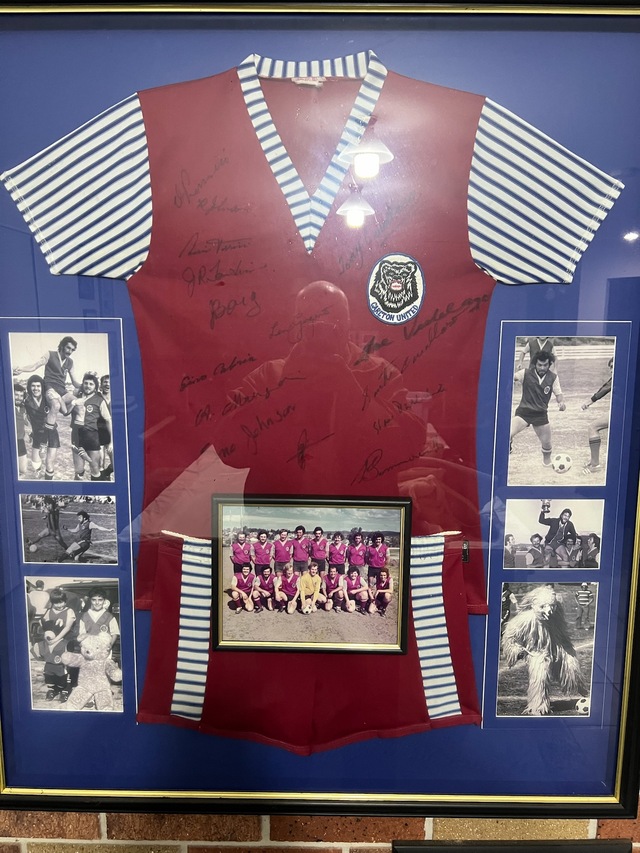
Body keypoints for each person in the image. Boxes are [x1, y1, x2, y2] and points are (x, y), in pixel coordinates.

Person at [13, 336, 81, 436]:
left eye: (72, 350)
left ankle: (77, 434)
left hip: (62, 390)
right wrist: (21, 369)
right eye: (68, 348)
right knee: (56, 405)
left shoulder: (70, 362)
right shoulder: (50, 354)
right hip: (49, 387)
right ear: (62, 346)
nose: (70, 351)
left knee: (79, 404)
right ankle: (46, 435)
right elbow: (35, 366)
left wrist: (85, 385)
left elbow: (74, 382)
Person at [510, 350, 565, 467]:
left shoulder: (553, 378)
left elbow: (558, 394)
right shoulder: (525, 373)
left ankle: (547, 464)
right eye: (540, 365)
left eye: (545, 365)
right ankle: (508, 446)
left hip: (540, 415)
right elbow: (513, 377)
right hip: (523, 413)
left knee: (547, 444)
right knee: (507, 434)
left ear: (549, 364)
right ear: (535, 363)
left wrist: (561, 403)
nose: (542, 367)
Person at [68, 373, 112, 481]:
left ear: (95, 387)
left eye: (91, 384)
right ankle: (79, 486)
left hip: (91, 437)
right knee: (78, 470)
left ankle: (96, 488)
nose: (88, 386)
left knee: (95, 468)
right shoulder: (76, 397)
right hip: (76, 436)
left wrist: (111, 441)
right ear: (82, 384)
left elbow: (108, 420)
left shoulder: (99, 400)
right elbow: (66, 412)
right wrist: (73, 403)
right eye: (86, 383)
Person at [36, 587, 77, 702]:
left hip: (65, 642)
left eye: (62, 602)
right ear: (52, 602)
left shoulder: (69, 611)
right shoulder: (49, 611)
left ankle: (65, 689)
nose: (60, 605)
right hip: (51, 643)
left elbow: (67, 628)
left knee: (64, 666)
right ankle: (53, 688)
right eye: (56, 603)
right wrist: (47, 636)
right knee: (50, 665)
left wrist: (56, 639)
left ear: (65, 601)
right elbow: (43, 624)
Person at [23, 374, 59, 479]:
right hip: (37, 433)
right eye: (33, 386)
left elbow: (58, 406)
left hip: (51, 432)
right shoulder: (26, 400)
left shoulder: (48, 398)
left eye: (38, 386)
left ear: (42, 387)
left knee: (49, 463)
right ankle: (38, 472)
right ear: (29, 387)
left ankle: (48, 482)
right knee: (35, 462)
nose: (36, 388)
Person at [582, 356, 613, 475]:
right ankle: (593, 462)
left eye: (613, 367)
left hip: (623, 412)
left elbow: (605, 389)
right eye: (610, 368)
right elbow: (606, 386)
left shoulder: (620, 377)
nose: (612, 370)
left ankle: (595, 465)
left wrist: (588, 402)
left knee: (593, 427)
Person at [98, 374, 114, 479]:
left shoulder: (117, 398)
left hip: (111, 432)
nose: (107, 384)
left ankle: (107, 473)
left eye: (109, 382)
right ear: (101, 385)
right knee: (100, 464)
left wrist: (112, 441)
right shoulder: (97, 397)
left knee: (116, 463)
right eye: (105, 382)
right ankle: (104, 481)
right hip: (98, 432)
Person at [14, 382, 28, 475]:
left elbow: (25, 422)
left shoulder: (23, 408)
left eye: (21, 395)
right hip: (10, 441)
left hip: (20, 440)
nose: (19, 398)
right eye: (16, 395)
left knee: (23, 469)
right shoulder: (8, 408)